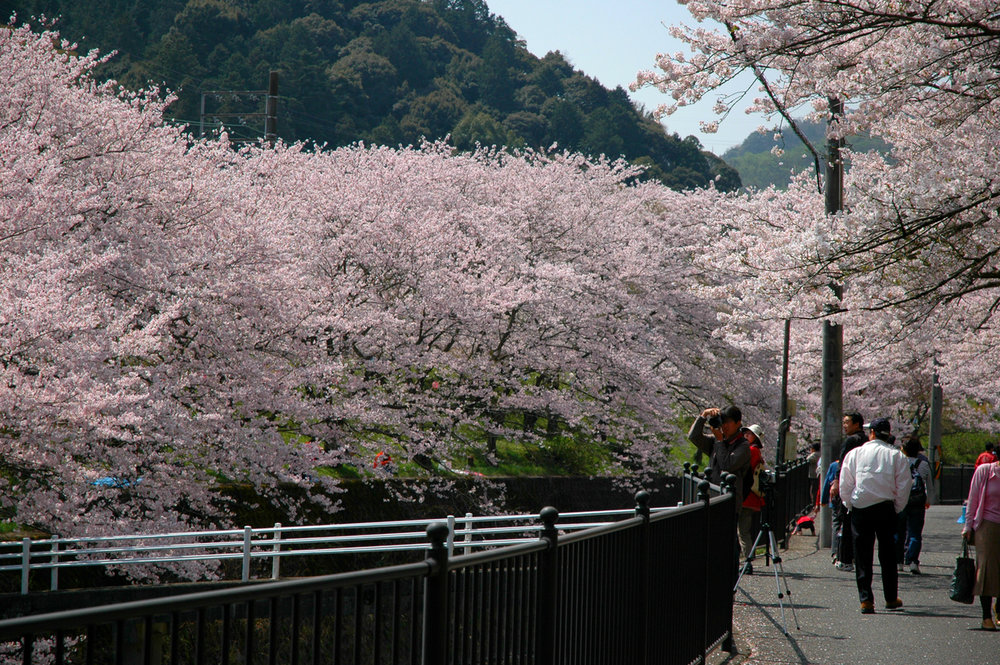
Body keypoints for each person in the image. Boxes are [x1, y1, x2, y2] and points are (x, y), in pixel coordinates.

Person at [839, 417, 912, 614]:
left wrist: (849, 503)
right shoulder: (897, 456)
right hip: (885, 507)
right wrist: (897, 508)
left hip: (861, 506)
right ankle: (890, 597)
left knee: (862, 554)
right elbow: (904, 486)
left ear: (871, 432)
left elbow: (845, 482)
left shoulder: (855, 453)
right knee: (888, 553)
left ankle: (866, 599)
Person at [962, 456, 1000, 630]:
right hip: (987, 524)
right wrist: (968, 526)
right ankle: (986, 616)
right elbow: (973, 499)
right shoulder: (985, 471)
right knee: (985, 567)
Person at [835, 413, 866, 571]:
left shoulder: (850, 441)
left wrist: (835, 482)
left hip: (850, 485)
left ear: (857, 424)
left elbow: (843, 464)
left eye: (847, 422)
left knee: (846, 524)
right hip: (865, 487)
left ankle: (845, 559)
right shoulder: (867, 441)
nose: (844, 425)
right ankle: (857, 558)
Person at [901, 434, 932, 574]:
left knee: (898, 531)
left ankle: (898, 561)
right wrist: (927, 499)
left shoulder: (899, 462)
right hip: (918, 501)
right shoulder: (924, 464)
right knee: (915, 532)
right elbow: (929, 485)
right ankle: (913, 562)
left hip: (901, 500)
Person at [738, 424, 767, 573]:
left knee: (743, 531)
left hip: (747, 497)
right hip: (750, 497)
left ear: (755, 437)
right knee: (743, 531)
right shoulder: (756, 451)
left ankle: (748, 562)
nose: (746, 436)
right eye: (746, 434)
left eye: (749, 434)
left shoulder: (752, 451)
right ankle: (748, 559)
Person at [806, 442, 821, 506]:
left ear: (813, 449)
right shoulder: (821, 453)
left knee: (813, 490)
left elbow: (808, 459)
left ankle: (814, 504)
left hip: (814, 475)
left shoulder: (815, 454)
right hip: (818, 474)